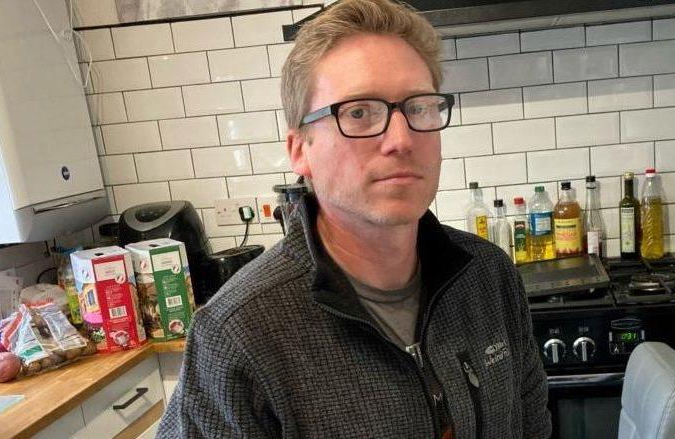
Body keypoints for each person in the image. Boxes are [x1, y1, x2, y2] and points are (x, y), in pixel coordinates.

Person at [157, 0, 550, 437]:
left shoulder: (488, 277)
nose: (400, 139)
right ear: (299, 150)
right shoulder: (238, 335)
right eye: (359, 113)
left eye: (418, 107)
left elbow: (532, 425)